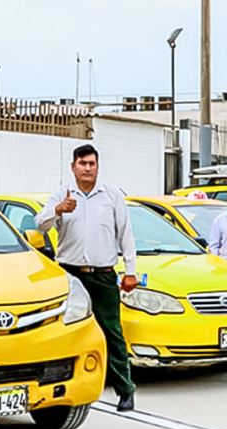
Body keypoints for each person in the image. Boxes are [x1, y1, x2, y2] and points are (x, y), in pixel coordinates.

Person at [35, 144, 137, 412]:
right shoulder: (62, 194)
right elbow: (40, 224)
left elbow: (126, 235)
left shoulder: (112, 195)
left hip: (102, 275)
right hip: (70, 274)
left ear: (98, 167)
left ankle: (125, 390)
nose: (87, 168)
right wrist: (58, 209)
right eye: (82, 164)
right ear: (73, 167)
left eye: (92, 164)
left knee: (112, 332)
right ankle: (59, 388)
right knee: (64, 331)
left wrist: (131, 271)